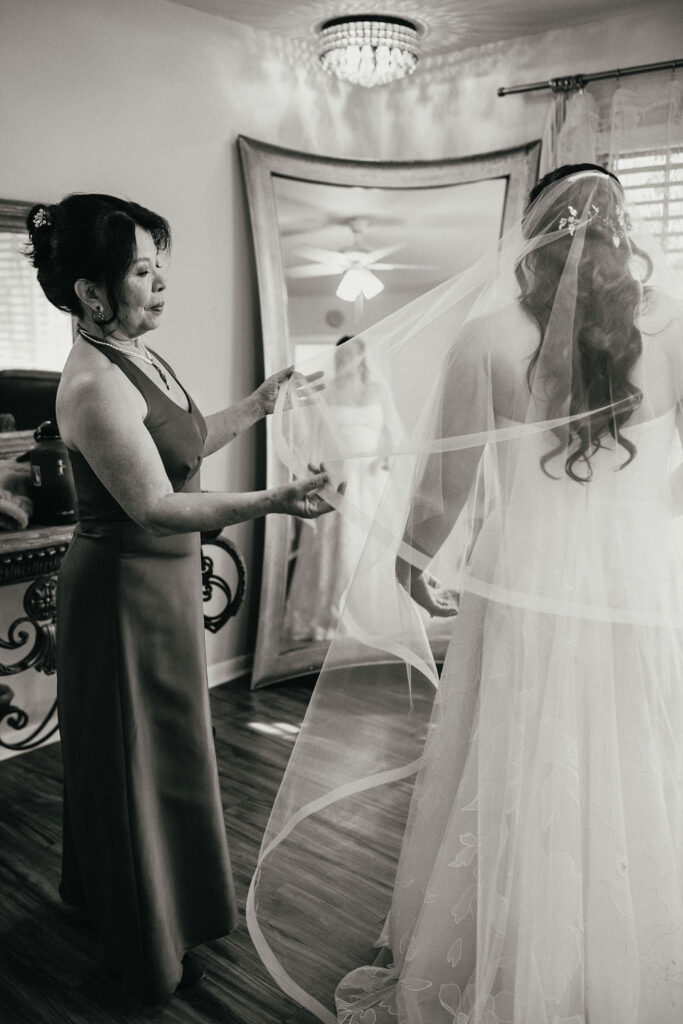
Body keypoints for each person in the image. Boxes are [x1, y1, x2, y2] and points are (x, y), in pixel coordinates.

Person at [247, 165, 683, 1023]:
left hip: (521, 578)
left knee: (517, 753)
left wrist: (410, 564)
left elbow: (445, 492)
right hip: (641, 580)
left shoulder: (487, 337)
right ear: (622, 232)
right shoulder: (673, 329)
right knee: (637, 747)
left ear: (530, 237)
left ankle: (510, 946)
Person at [25, 192, 340, 1004]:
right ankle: (147, 945)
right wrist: (270, 501)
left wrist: (255, 406)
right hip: (124, 590)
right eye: (140, 271)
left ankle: (132, 898)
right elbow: (157, 505)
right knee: (135, 766)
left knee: (161, 757)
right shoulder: (94, 382)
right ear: (92, 294)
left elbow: (184, 446)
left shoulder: (141, 355)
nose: (160, 284)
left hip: (160, 583)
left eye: (161, 266)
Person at [283, 335, 394, 642]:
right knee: (339, 548)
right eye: (342, 355)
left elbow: (389, 434)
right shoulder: (327, 393)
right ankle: (330, 615)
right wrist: (319, 473)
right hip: (340, 476)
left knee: (373, 546)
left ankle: (371, 616)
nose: (347, 360)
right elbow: (314, 439)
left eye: (352, 355)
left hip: (373, 477)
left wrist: (382, 459)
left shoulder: (378, 391)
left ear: (362, 356)